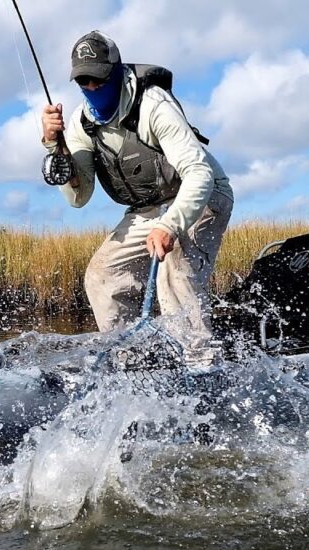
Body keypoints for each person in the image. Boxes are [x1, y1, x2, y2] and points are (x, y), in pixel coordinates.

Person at [40, 30, 234, 359]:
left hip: (202, 197)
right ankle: (131, 361)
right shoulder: (80, 123)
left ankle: (202, 362)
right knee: (102, 276)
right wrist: (54, 146)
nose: (92, 87)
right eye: (83, 81)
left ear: (116, 70)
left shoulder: (154, 104)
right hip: (145, 211)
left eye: (99, 78)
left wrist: (171, 225)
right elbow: (78, 197)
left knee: (175, 271)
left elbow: (199, 173)